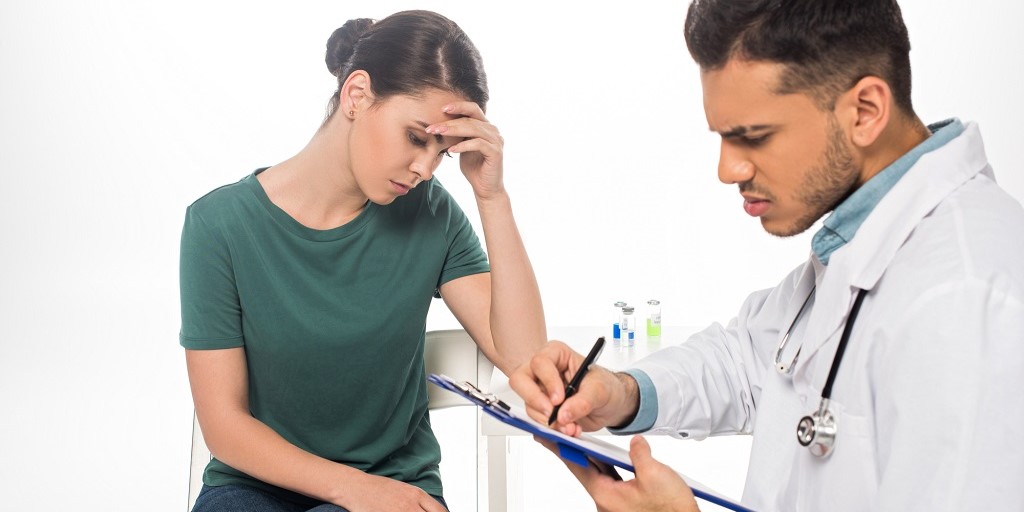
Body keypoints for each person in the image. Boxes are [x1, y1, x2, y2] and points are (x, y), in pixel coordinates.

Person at [509, 0, 1024, 510]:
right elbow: (751, 361)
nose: (727, 170)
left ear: (864, 111)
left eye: (752, 137)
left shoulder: (967, 296)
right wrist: (622, 393)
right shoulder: (859, 241)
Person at [179, 10, 545, 512]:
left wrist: (492, 197)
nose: (425, 168)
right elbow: (224, 424)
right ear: (357, 96)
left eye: (443, 151)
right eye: (417, 138)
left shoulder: (432, 213)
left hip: (394, 483)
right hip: (255, 485)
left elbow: (525, 358)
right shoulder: (218, 225)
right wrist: (351, 489)